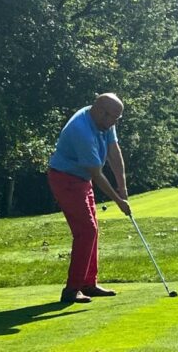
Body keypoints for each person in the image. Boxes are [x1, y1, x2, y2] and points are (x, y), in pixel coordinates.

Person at [48, 93, 132, 303]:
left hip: (82, 178)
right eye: (113, 117)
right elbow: (97, 173)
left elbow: (114, 152)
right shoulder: (81, 130)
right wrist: (118, 201)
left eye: (117, 119)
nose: (115, 122)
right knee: (86, 230)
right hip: (65, 179)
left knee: (92, 229)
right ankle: (72, 290)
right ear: (101, 111)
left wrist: (123, 187)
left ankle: (88, 283)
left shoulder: (105, 121)